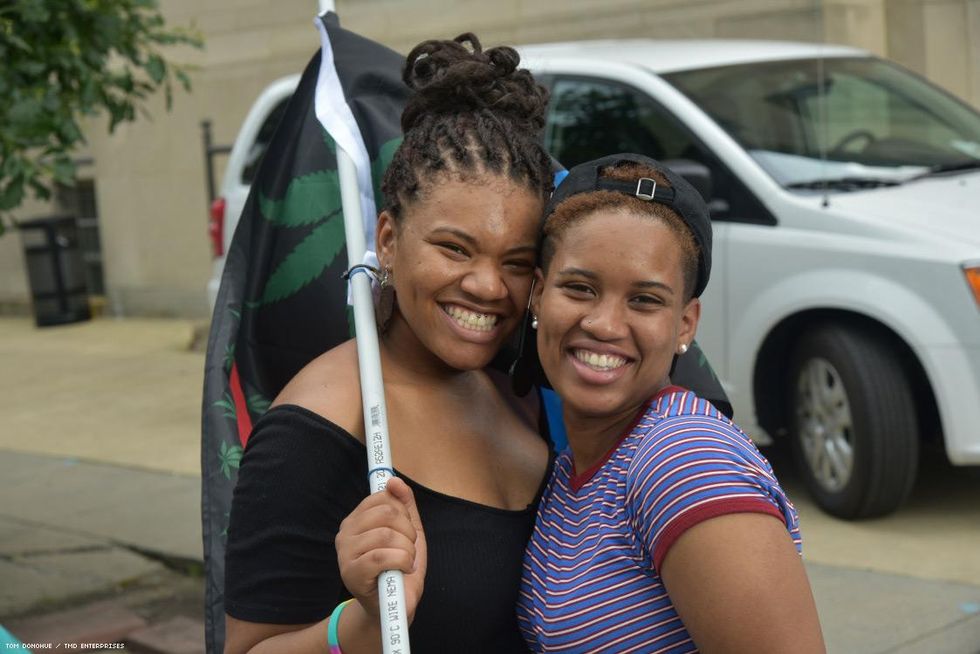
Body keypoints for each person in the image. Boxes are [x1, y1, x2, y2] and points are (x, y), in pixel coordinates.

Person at [222, 34, 555, 653]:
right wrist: (364, 625)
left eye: (516, 261)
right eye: (454, 248)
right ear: (390, 240)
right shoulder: (320, 424)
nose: (487, 286)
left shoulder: (521, 392)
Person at [515, 153, 825, 652]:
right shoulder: (579, 462)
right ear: (537, 293)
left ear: (685, 323)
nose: (605, 324)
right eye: (579, 288)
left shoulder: (684, 461)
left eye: (644, 300)